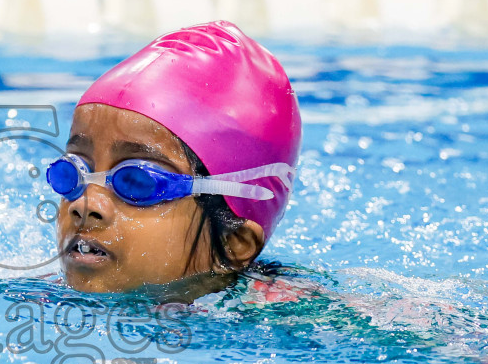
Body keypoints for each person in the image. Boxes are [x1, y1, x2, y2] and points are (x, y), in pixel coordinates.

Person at [48, 21, 302, 299]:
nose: (85, 205)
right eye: (72, 174)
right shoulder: (37, 297)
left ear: (235, 243)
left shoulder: (289, 315)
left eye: (136, 181)